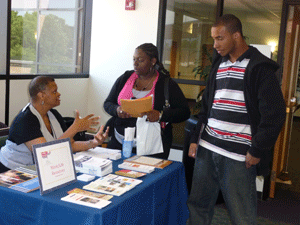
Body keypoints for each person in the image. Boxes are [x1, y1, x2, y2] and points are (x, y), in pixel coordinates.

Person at [186, 14, 286, 225]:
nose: (215, 45)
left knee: (242, 216)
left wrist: (257, 149)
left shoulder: (260, 68)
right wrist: (196, 138)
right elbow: (207, 106)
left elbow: (274, 115)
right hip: (207, 147)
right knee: (198, 206)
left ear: (237, 35)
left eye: (220, 38)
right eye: (213, 39)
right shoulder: (218, 65)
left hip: (238, 155)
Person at [0, 76, 109, 173]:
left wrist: (92, 143)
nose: (59, 94)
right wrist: (74, 128)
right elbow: (45, 153)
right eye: (54, 91)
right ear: (41, 95)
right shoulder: (25, 120)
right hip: (12, 170)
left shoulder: (53, 114)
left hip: (40, 169)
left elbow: (69, 145)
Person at [103, 43, 190, 159]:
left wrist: (160, 115)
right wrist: (117, 109)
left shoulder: (166, 84)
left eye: (140, 60)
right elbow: (108, 103)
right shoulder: (125, 78)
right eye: (134, 59)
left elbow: (184, 112)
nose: (135, 63)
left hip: (152, 147)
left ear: (153, 61)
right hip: (120, 141)